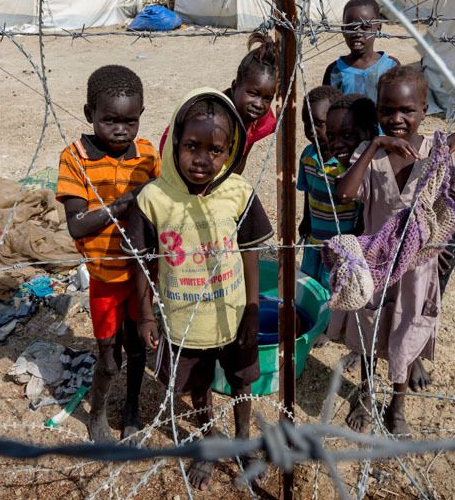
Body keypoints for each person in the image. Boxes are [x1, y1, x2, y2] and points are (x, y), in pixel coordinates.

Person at [333, 65, 455, 435]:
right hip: (376, 266)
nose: (396, 119)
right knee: (370, 332)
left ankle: (397, 407)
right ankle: (367, 393)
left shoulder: (439, 152)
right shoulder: (373, 155)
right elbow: (346, 194)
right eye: (387, 111)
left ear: (424, 110)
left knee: (407, 335)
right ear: (378, 111)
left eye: (406, 111)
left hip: (417, 270)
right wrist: (376, 145)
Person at [124, 88, 273, 490]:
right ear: (175, 142)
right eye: (192, 146)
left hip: (234, 313)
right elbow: (142, 263)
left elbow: (250, 253)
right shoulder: (154, 198)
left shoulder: (237, 193)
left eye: (216, 150)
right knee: (198, 386)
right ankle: (208, 439)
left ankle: (244, 442)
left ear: (231, 151)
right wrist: (146, 315)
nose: (203, 159)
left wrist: (254, 308)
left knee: (242, 381)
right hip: (184, 320)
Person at [55, 65, 160, 443]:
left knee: (136, 349)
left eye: (129, 121)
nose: (120, 130)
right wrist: (120, 205)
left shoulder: (147, 155)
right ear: (89, 115)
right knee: (108, 356)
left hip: (141, 274)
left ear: (140, 117)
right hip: (104, 277)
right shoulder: (76, 158)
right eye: (109, 120)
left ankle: (131, 408)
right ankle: (98, 412)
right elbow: (77, 224)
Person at [159, 33, 278, 173]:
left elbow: (240, 157)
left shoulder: (259, 120)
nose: (259, 104)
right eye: (252, 93)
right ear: (235, 86)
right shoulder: (212, 118)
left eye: (267, 98)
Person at [297, 86, 359, 289]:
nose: (311, 130)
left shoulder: (348, 162)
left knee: (334, 288)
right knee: (308, 285)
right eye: (306, 123)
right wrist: (306, 220)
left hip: (341, 246)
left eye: (319, 124)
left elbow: (359, 203)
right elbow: (307, 191)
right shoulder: (308, 155)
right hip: (314, 239)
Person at [322, 0, 400, 102]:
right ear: (343, 30)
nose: (357, 33)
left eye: (365, 27)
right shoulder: (335, 71)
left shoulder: (391, 67)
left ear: (378, 28)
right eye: (351, 27)